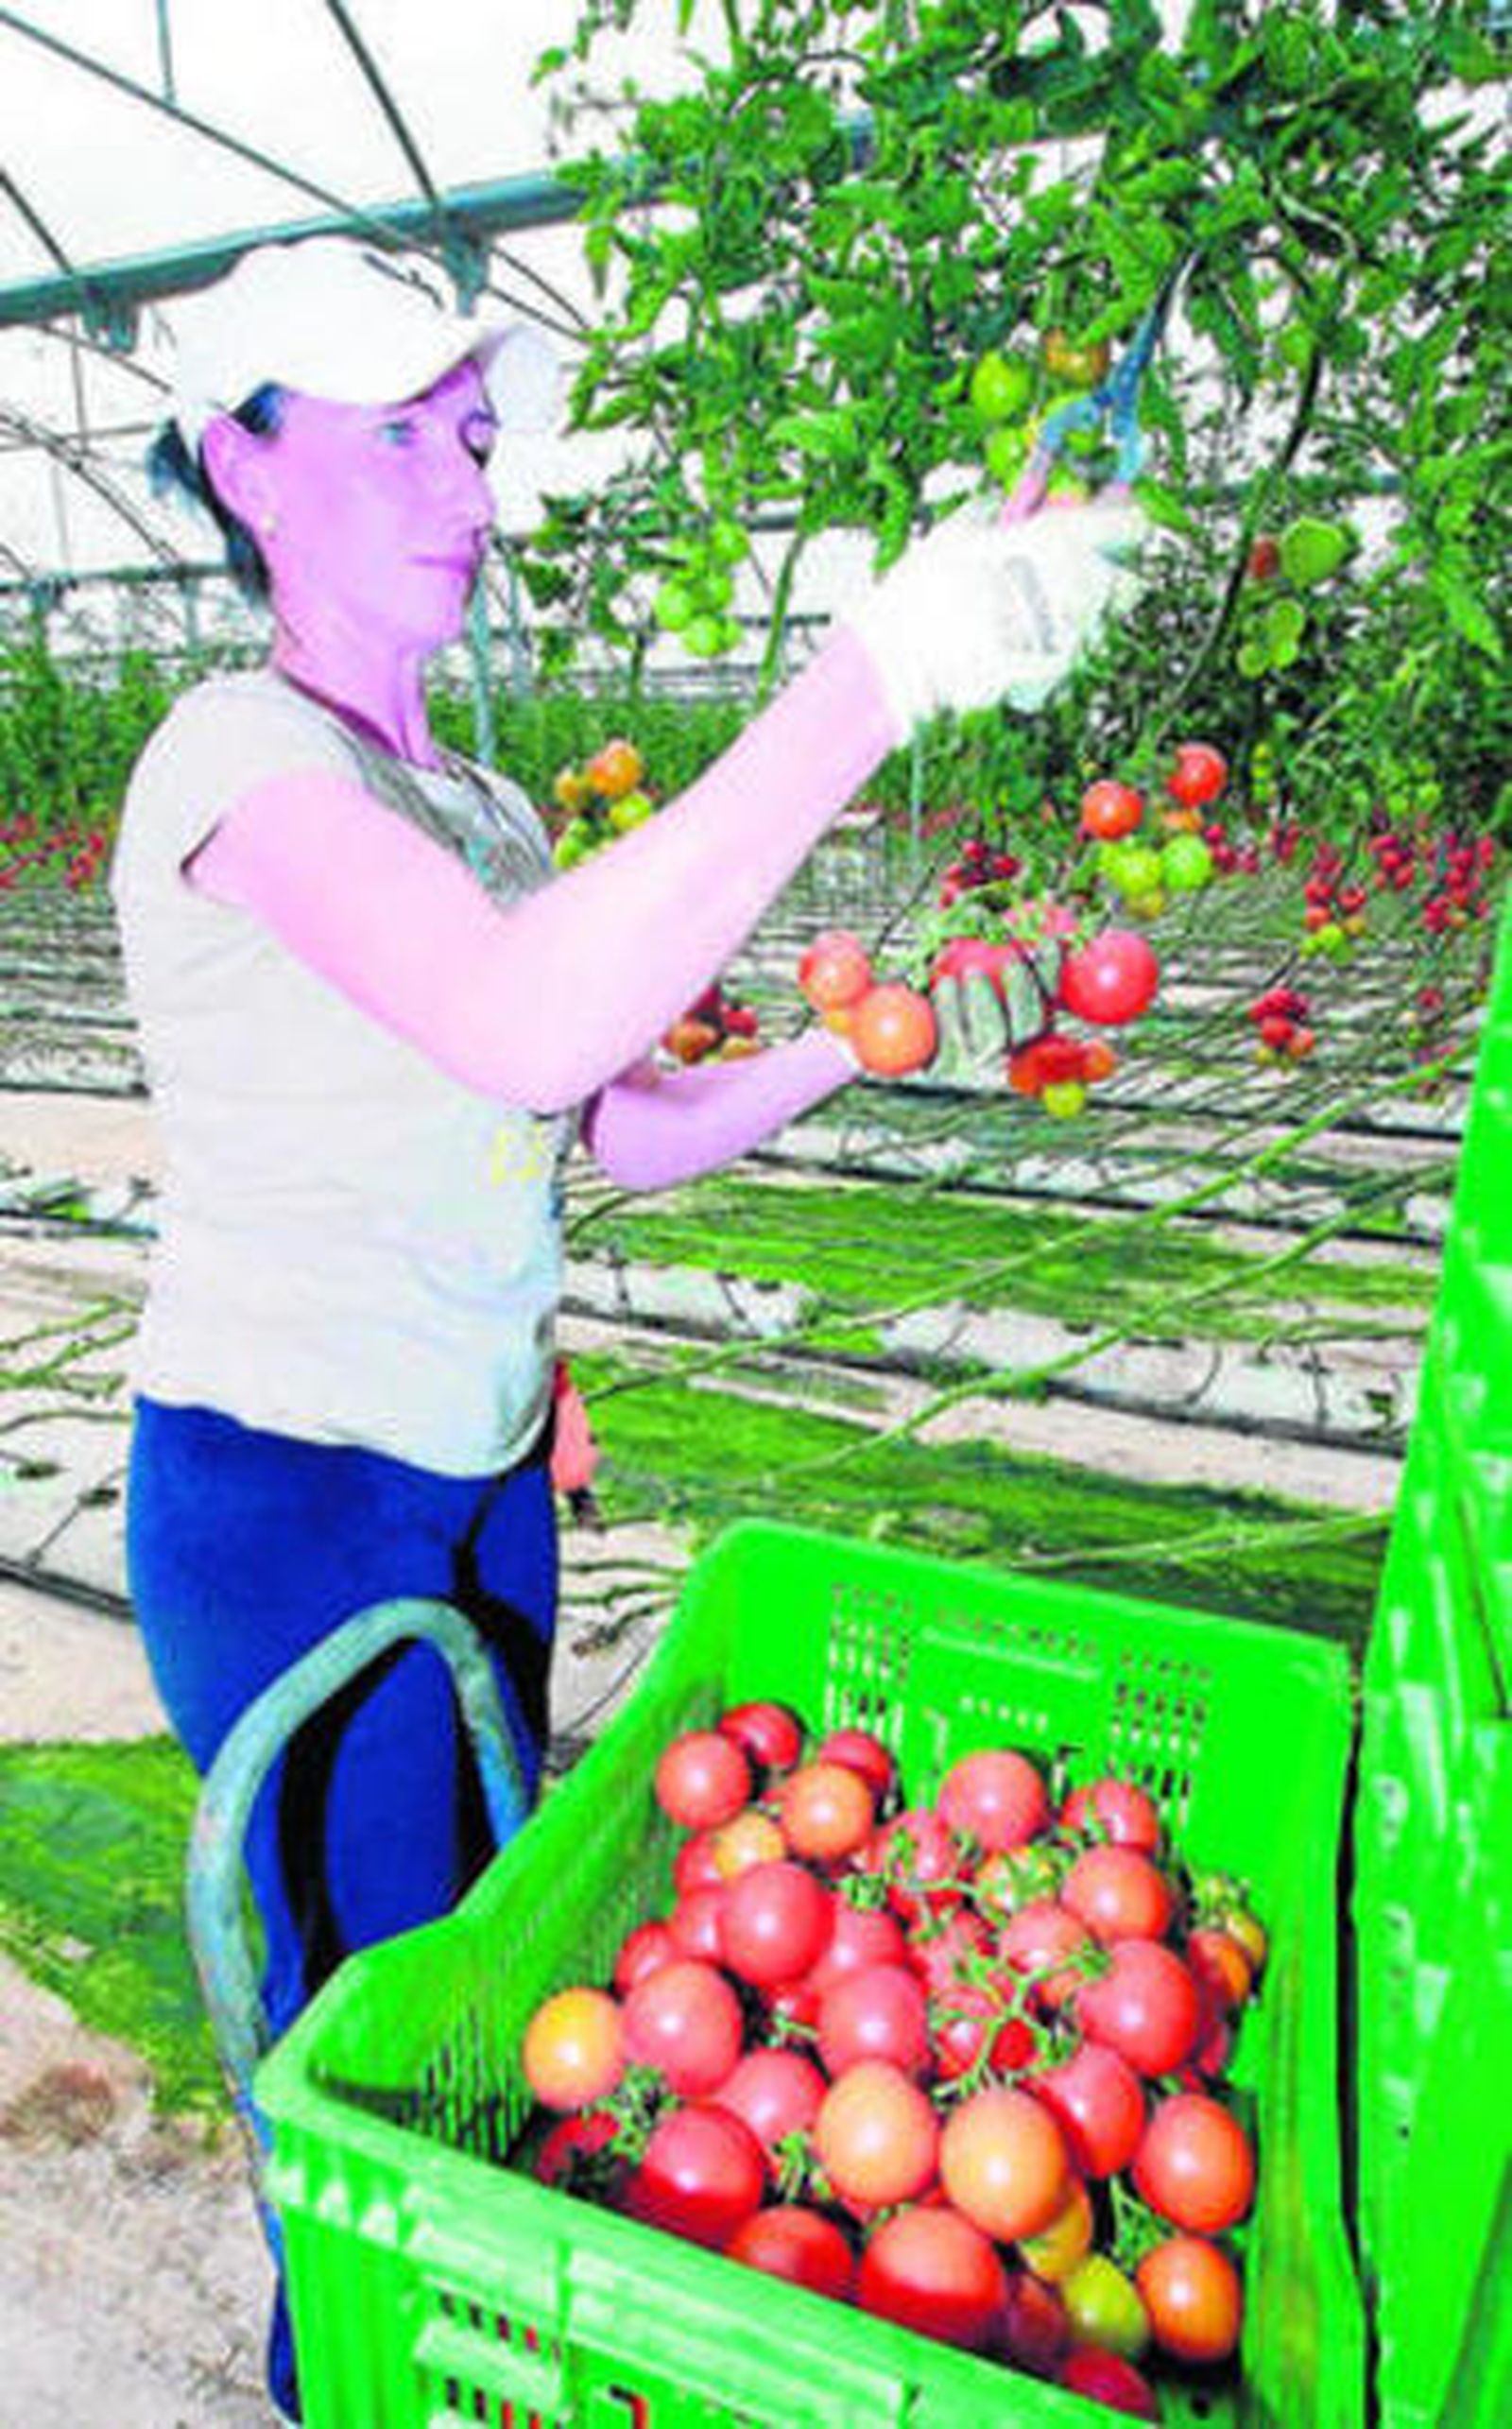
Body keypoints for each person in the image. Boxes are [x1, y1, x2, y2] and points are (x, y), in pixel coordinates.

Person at [111, 234, 1142, 2418]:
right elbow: (516, 1018)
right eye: (397, 435)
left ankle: (447, 2363)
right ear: (246, 467)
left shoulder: (473, 809)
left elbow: (623, 1120)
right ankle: (352, 2380)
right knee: (377, 2033)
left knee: (498, 1970)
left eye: (472, 433)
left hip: (479, 1480)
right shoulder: (230, 762)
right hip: (287, 1503)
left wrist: (853, 1044)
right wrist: (876, 668)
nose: (464, 481)